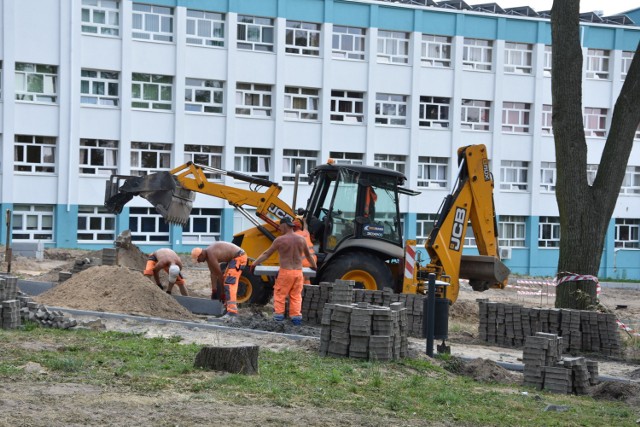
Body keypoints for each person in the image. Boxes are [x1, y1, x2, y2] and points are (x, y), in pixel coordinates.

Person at [250, 217, 317, 325]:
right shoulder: (301, 239)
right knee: (296, 296)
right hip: (298, 273)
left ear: (284, 225)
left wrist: (254, 263)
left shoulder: (280, 240)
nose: (279, 228)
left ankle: (278, 319)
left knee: (280, 295)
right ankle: (296, 319)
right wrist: (314, 266)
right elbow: (309, 256)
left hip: (286, 272)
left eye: (280, 226)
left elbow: (266, 254)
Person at [191, 241, 248, 318]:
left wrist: (222, 294)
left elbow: (219, 276)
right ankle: (228, 308)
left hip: (239, 257)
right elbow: (213, 273)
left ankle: (232, 312)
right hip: (234, 259)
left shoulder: (211, 255)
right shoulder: (208, 256)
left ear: (201, 255)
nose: (199, 262)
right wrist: (214, 291)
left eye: (198, 259)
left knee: (229, 283)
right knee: (226, 280)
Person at [293, 217, 317, 285]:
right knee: (307, 277)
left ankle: (301, 292)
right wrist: (304, 221)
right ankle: (307, 290)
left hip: (303, 262)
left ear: (293, 228)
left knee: (300, 278)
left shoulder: (294, 236)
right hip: (312, 260)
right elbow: (305, 227)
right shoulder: (306, 233)